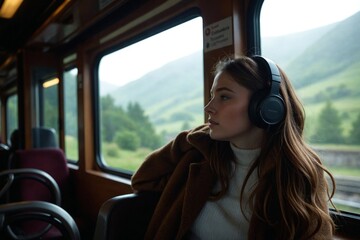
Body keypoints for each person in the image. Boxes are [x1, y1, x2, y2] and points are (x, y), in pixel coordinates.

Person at [131, 55, 336, 240]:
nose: (209, 107)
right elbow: (143, 179)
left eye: (224, 97)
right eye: (212, 96)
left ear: (266, 107)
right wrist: (190, 138)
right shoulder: (199, 155)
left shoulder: (298, 171)